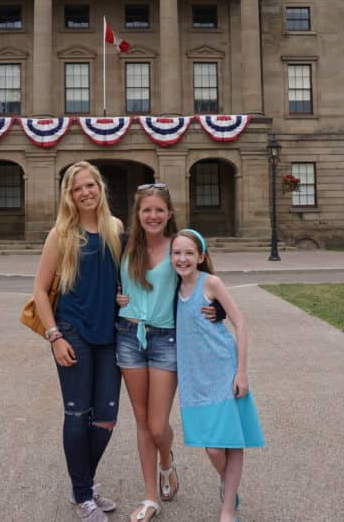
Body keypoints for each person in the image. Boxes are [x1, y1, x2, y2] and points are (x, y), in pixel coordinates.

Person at [114, 183, 218, 522]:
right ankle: (149, 497)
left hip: (165, 340)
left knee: (158, 426)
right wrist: (116, 296)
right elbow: (104, 280)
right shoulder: (124, 244)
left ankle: (166, 462)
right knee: (142, 422)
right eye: (147, 210)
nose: (153, 216)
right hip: (128, 336)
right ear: (138, 214)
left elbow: (202, 279)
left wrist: (221, 311)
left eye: (159, 210)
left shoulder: (178, 246)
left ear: (169, 213)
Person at [32, 161, 124, 522]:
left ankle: (82, 485)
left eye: (91, 186)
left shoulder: (115, 228)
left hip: (110, 336)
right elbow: (40, 291)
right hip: (73, 334)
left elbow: (122, 278)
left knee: (106, 418)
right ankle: (84, 494)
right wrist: (54, 336)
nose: (86, 192)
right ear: (69, 195)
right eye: (77, 188)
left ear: (100, 188)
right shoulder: (61, 234)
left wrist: (124, 298)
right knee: (77, 413)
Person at [171, 228, 264, 522]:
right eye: (177, 253)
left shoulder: (211, 283)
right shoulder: (171, 288)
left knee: (230, 441)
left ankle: (227, 510)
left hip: (224, 370)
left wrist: (242, 371)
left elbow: (241, 323)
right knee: (212, 449)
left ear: (201, 257)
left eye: (189, 253)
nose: (183, 258)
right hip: (194, 378)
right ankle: (229, 485)